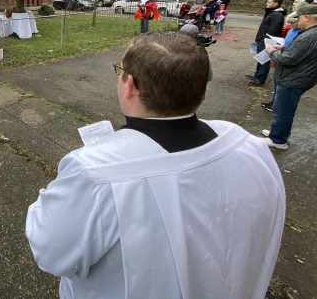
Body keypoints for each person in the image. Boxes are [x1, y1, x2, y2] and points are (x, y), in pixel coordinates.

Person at [26, 32, 285, 299]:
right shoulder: (248, 145)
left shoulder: (94, 173)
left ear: (131, 85)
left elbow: (51, 251)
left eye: (120, 71)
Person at [262, 4, 317, 150]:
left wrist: (271, 52)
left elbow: (287, 59)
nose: (297, 20)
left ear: (307, 17)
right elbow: (302, 53)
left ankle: (278, 140)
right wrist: (284, 48)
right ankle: (277, 132)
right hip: (300, 77)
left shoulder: (308, 36)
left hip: (292, 79)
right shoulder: (311, 34)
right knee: (282, 109)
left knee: (283, 110)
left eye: (298, 17)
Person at [261, 13, 301, 112]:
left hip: (287, 61)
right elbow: (288, 45)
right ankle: (274, 101)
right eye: (288, 22)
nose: (289, 24)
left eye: (292, 22)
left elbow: (294, 51)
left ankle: (277, 104)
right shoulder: (292, 30)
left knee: (282, 86)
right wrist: (281, 47)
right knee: (277, 82)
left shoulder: (301, 34)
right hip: (281, 57)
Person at [247, 0, 286, 86]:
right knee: (260, 58)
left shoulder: (277, 15)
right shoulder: (272, 13)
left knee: (264, 59)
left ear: (276, 3)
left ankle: (260, 79)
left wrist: (263, 39)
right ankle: (257, 75)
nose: (267, 3)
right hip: (263, 39)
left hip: (268, 40)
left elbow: (272, 30)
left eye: (269, 2)